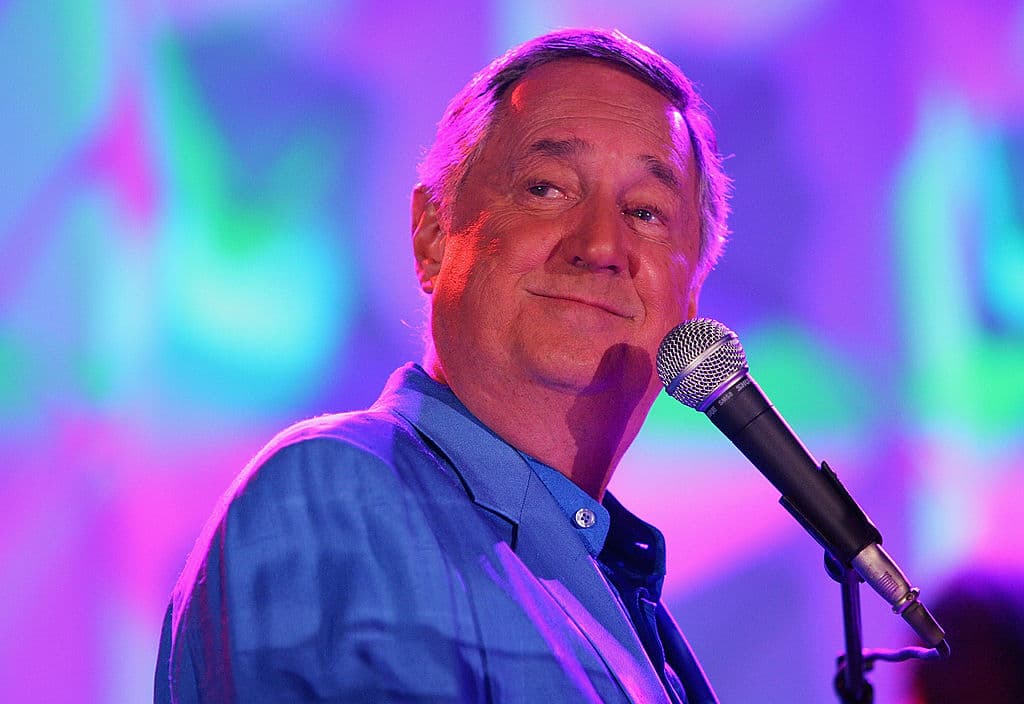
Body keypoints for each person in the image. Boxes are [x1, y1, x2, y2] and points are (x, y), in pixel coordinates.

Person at [155, 28, 730, 703]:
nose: (602, 244)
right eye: (547, 189)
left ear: (689, 298)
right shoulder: (343, 491)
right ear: (433, 237)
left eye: (645, 211)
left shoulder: (622, 593)